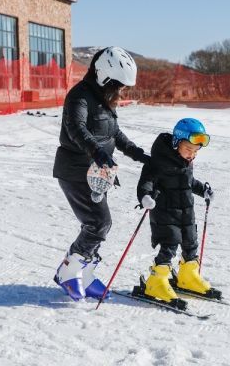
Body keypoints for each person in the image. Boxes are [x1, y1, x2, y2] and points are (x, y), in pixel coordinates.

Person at [52, 47, 150, 301]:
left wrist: (138, 154)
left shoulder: (103, 98)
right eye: (118, 85)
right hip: (75, 168)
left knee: (98, 223)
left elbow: (114, 134)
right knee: (98, 222)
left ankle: (84, 274)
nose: (121, 91)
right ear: (105, 76)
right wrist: (97, 152)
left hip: (97, 171)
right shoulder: (80, 96)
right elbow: (76, 128)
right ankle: (69, 271)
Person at [136, 118, 215, 303]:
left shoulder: (186, 161)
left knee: (190, 242)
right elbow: (146, 181)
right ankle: (156, 280)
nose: (192, 155)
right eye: (188, 149)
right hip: (165, 213)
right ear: (176, 142)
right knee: (170, 244)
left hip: (186, 212)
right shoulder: (158, 161)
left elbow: (188, 182)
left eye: (195, 152)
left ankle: (188, 276)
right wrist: (145, 196)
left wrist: (202, 189)